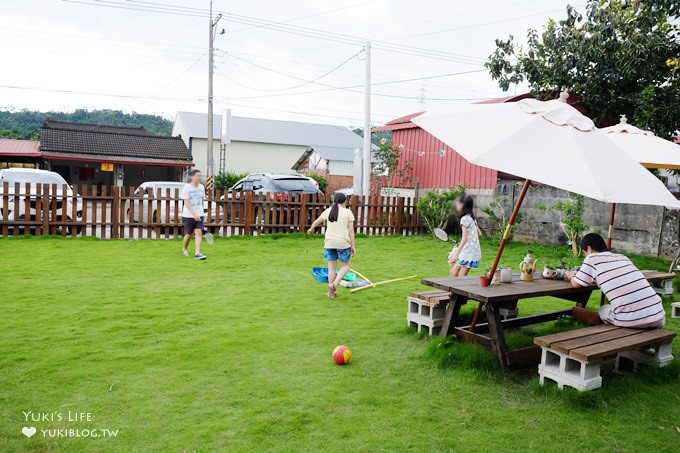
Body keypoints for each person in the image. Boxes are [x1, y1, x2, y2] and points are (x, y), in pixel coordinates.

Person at [566, 233, 665, 328]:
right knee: (616, 308)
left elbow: (576, 284)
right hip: (659, 316)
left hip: (633, 321)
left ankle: (602, 326)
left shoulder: (591, 258)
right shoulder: (623, 258)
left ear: (588, 248)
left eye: (584, 253)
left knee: (603, 309)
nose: (585, 256)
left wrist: (571, 276)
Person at [307, 193, 356, 299]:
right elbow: (351, 231)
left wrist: (311, 229)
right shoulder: (348, 212)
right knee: (346, 266)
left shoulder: (328, 211)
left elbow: (316, 221)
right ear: (344, 201)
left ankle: (331, 293)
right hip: (343, 243)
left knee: (331, 269)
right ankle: (334, 284)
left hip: (329, 243)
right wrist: (353, 246)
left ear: (334, 201)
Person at [448, 195, 482, 277]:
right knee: (454, 273)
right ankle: (453, 289)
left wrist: (456, 254)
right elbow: (479, 234)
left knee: (460, 277)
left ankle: (456, 289)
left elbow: (464, 239)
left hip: (468, 253)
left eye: (458, 203)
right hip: (472, 252)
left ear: (463, 205)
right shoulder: (471, 218)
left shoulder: (464, 219)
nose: (456, 205)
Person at [181, 169, 207, 260]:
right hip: (189, 215)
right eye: (197, 175)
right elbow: (186, 203)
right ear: (192, 177)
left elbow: (201, 200)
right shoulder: (187, 188)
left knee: (199, 232)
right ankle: (184, 249)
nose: (199, 177)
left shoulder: (201, 187)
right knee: (188, 234)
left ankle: (197, 253)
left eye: (200, 175)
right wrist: (194, 214)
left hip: (199, 214)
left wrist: (201, 213)